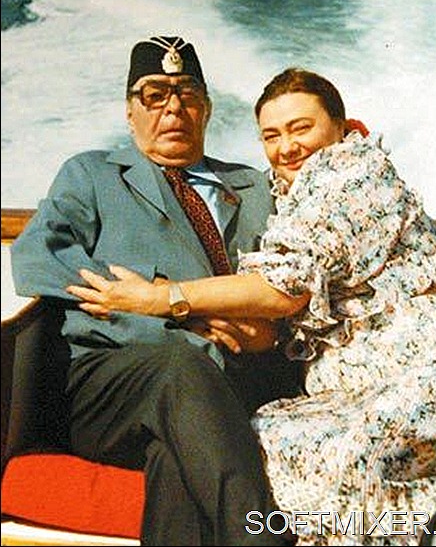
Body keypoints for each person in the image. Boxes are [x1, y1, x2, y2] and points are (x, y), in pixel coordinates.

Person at [66, 68, 436, 545]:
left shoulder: (351, 173)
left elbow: (286, 290)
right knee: (241, 441)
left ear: (341, 127)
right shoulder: (280, 194)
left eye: (301, 128)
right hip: (355, 386)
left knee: (339, 458)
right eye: (271, 136)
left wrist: (162, 297)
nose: (287, 147)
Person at [10, 35, 303, 546]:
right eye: (154, 95)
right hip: (115, 385)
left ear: (206, 109)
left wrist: (269, 332)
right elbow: (38, 257)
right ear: (130, 113)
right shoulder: (92, 175)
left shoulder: (258, 188)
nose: (173, 108)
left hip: (228, 384)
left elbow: (300, 274)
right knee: (180, 366)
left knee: (176, 456)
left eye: (187, 94)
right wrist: (170, 307)